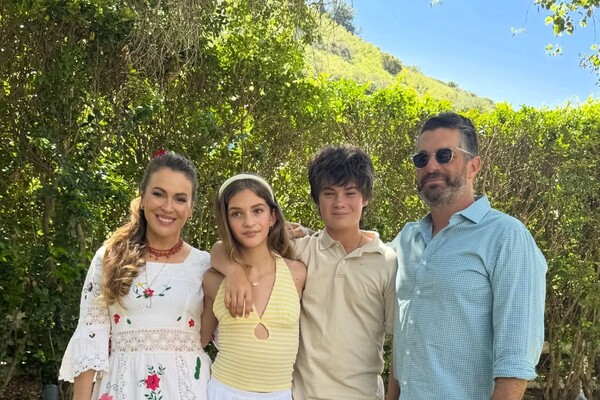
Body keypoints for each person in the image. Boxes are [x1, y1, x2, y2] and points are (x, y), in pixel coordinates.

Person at [212, 145, 398, 400]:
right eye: (329, 193)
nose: (340, 203)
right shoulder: (299, 251)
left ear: (365, 197)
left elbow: (401, 342)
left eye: (350, 193)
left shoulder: (387, 261)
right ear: (317, 199)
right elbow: (223, 248)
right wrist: (234, 270)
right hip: (301, 394)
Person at [387, 112, 547, 400]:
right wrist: (308, 238)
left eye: (444, 155)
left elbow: (516, 361)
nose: (431, 166)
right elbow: (360, 256)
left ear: (473, 166)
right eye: (422, 159)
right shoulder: (408, 238)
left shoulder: (506, 237)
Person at [59, 150, 212, 400]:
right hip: (121, 388)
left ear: (191, 208)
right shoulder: (109, 258)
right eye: (159, 194)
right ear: (142, 197)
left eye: (180, 198)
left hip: (188, 389)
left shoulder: (204, 265)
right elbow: (90, 336)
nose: (168, 207)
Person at [200, 173, 306, 400]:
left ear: (272, 217)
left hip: (280, 394)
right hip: (224, 392)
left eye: (257, 210)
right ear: (226, 221)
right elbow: (197, 341)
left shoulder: (297, 273)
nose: (248, 222)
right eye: (236, 213)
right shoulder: (213, 279)